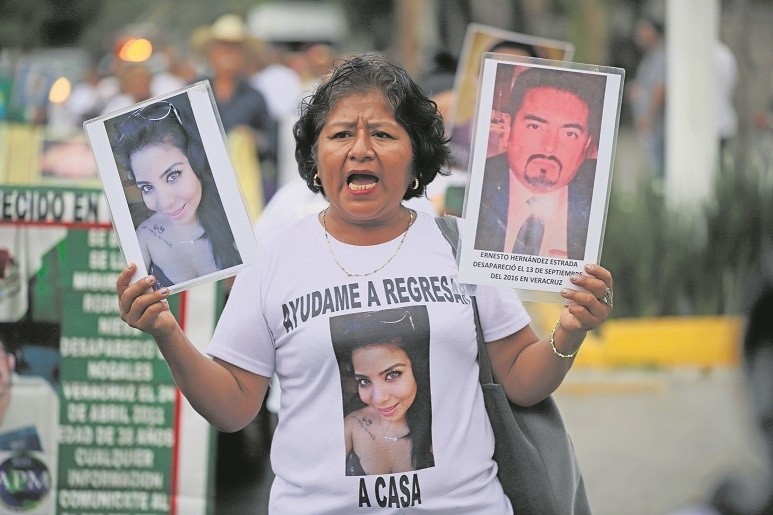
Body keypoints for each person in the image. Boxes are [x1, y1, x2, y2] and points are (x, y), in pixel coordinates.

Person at [115, 54, 613, 513]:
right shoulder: (273, 259)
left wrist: (570, 330)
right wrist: (167, 333)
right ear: (315, 158)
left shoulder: (462, 244)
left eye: (382, 134)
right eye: (340, 135)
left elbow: (522, 380)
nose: (360, 150)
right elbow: (233, 408)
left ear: (416, 157)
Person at [475, 65, 605, 260]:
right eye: (535, 127)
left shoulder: (604, 200)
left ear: (586, 144)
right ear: (508, 127)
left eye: (569, 134)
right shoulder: (475, 185)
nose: (549, 147)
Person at [111, 100, 242, 289]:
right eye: (147, 187)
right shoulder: (145, 238)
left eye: (173, 176)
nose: (165, 203)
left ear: (197, 163)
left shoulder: (236, 218)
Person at [331, 306, 433, 476]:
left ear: (417, 370)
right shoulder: (352, 425)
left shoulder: (444, 426)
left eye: (392, 375)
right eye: (364, 381)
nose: (379, 399)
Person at [630, 16, 667, 178]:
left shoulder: (661, 56)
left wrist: (647, 117)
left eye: (644, 29)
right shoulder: (650, 57)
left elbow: (660, 88)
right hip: (650, 127)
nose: (639, 33)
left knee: (659, 171)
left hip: (657, 126)